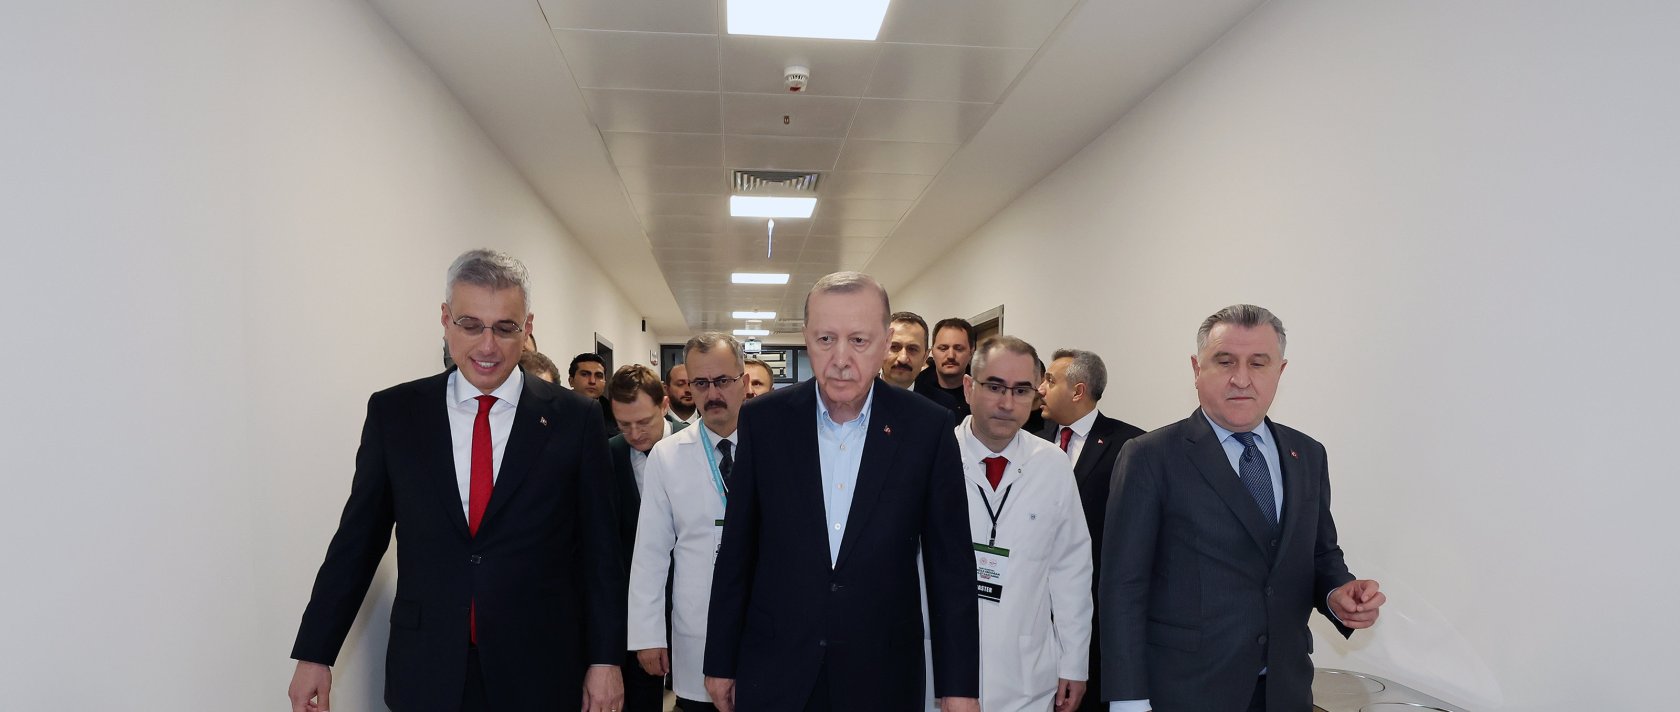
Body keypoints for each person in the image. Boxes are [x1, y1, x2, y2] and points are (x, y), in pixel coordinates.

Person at [287, 249, 624, 712]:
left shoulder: (574, 418)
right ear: (445, 320)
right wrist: (315, 652)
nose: (487, 347)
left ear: (527, 328)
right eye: (470, 325)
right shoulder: (397, 414)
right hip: (428, 667)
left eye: (505, 328)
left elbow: (600, 550)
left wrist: (605, 660)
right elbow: (357, 541)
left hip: (540, 666)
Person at [704, 272, 980, 712]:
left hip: (883, 672)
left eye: (859, 340)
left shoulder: (926, 428)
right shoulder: (764, 421)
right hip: (775, 666)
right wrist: (719, 659)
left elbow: (951, 566)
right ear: (806, 338)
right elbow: (738, 547)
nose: (841, 358)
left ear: (886, 340)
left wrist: (959, 685)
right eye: (826, 339)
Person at [1101, 305, 1386, 712]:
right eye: (1224, 361)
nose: (1241, 378)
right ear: (1197, 368)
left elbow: (1320, 552)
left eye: (1258, 363)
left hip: (1284, 691)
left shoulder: (1307, 454)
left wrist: (1338, 591)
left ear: (1280, 372)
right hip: (1186, 693)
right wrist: (1128, 700)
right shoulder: (1150, 456)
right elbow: (1122, 587)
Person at [946, 336, 1092, 712]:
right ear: (968, 388)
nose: (1007, 403)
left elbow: (1071, 571)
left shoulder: (1053, 465)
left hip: (1028, 677)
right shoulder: (934, 457)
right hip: (941, 673)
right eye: (994, 386)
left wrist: (1074, 662)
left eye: (1022, 390)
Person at [631, 333, 750, 712]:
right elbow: (650, 552)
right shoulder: (666, 457)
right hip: (695, 624)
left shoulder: (775, 446)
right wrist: (648, 634)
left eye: (723, 381)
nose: (712, 393)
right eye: (700, 383)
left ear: (744, 383)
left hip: (764, 624)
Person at [1036, 348, 1146, 711]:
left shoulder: (1130, 446)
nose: (1040, 388)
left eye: (1050, 381)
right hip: (1035, 604)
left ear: (1078, 391)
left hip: (1095, 610)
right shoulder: (1032, 439)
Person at [606, 364, 685, 712]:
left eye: (644, 422)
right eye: (624, 425)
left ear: (664, 405)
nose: (635, 433)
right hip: (634, 606)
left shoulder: (697, 444)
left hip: (692, 600)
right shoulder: (608, 455)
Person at [880, 311, 959, 412]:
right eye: (894, 347)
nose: (903, 358)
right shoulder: (857, 396)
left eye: (912, 349)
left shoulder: (942, 406)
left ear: (925, 357)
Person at [914, 317, 974, 419]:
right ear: (932, 351)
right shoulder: (916, 387)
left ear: (971, 352)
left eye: (959, 349)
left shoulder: (982, 389)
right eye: (943, 348)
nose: (951, 355)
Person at [570, 353, 619, 437]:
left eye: (598, 376)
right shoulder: (557, 409)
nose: (592, 381)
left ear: (605, 382)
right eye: (585, 374)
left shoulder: (615, 414)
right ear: (571, 381)